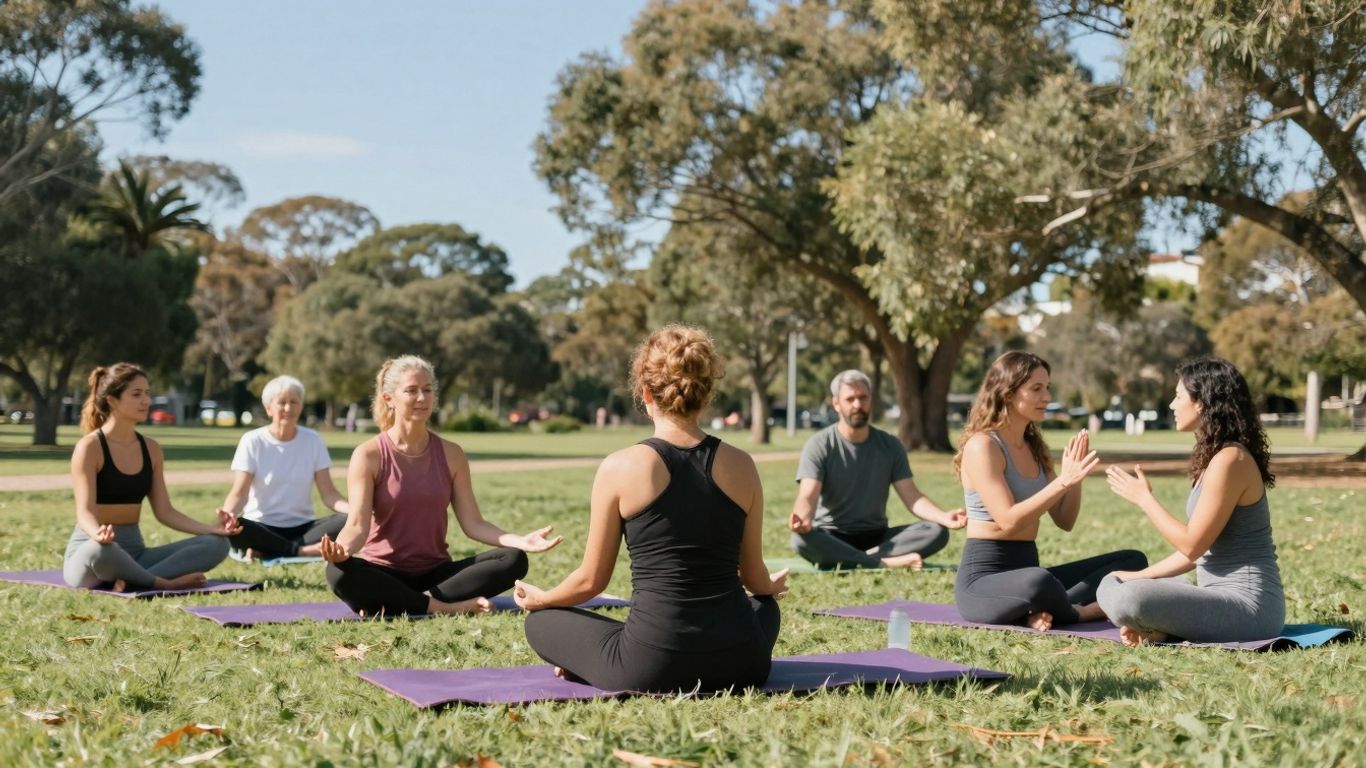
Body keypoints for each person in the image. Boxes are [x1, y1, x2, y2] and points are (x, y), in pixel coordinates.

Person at [515, 325, 787, 693]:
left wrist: (542, 599)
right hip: (744, 664)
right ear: (707, 394)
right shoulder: (743, 465)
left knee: (540, 622)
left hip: (653, 666)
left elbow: (591, 581)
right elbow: (754, 578)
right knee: (765, 607)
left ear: (646, 393)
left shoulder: (620, 466)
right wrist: (769, 588)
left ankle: (590, 662)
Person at [319, 355, 561, 616]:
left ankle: (401, 602)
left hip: (438, 577)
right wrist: (342, 550)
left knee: (513, 559)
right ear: (389, 399)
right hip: (385, 573)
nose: (421, 398)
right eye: (411, 391)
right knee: (337, 571)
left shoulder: (451, 454)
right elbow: (357, 525)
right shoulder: (368, 455)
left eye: (427, 390)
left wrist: (520, 540)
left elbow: (474, 524)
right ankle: (441, 607)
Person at [1097, 357, 1284, 645]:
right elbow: (1195, 554)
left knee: (1130, 598)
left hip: (1250, 610)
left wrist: (1144, 498)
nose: (1172, 405)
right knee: (1113, 580)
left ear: (1201, 402)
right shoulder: (1215, 459)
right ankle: (1160, 628)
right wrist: (1141, 574)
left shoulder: (1231, 459)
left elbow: (1191, 544)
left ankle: (1153, 625)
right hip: (1216, 599)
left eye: (1178, 396)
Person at [954, 351, 1147, 630]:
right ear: (1008, 393)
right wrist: (1063, 481)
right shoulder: (982, 446)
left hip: (1028, 569)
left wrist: (1075, 477)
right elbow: (1008, 520)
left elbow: (1064, 521)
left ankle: (1042, 607)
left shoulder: (1035, 448)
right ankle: (1080, 612)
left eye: (1047, 388)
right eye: (1036, 389)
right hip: (983, 580)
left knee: (1132, 561)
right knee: (1039, 581)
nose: (1046, 397)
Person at [64, 363, 237, 592]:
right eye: (136, 394)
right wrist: (98, 533)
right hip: (93, 553)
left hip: (136, 554)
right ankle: (162, 582)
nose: (146, 400)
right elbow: (84, 511)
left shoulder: (151, 449)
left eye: (147, 393)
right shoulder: (90, 447)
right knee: (100, 550)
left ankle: (132, 580)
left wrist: (211, 529)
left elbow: (165, 512)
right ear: (112, 400)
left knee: (217, 544)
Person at [788, 370, 966, 570]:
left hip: (877, 538)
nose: (857, 404)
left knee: (936, 531)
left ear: (871, 400)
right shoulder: (819, 444)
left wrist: (944, 517)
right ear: (836, 404)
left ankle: (859, 559)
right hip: (832, 536)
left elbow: (913, 497)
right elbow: (808, 495)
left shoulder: (890, 445)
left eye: (863, 397)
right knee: (800, 539)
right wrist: (802, 519)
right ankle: (882, 562)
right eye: (850, 399)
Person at [218, 375, 348, 560]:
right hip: (262, 526)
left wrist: (356, 511)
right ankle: (300, 551)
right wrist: (229, 516)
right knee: (239, 527)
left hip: (304, 529)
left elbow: (330, 495)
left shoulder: (313, 440)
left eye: (294, 402)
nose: (288, 408)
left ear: (301, 406)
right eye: (282, 402)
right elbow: (239, 493)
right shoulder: (252, 441)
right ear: (268, 408)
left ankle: (269, 549)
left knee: (348, 520)